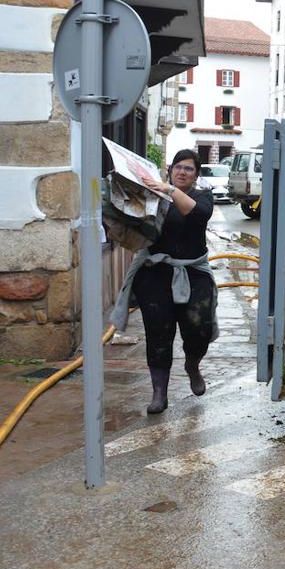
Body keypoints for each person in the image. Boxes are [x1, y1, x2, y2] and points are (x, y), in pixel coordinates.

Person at [111, 149, 219, 415]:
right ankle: (159, 393)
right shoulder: (152, 195)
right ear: (170, 169)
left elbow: (196, 214)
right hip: (155, 273)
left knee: (198, 330)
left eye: (189, 169)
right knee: (158, 334)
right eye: (178, 167)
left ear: (196, 175)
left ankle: (192, 366)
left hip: (193, 274)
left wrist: (169, 190)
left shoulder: (202, 197)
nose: (182, 172)